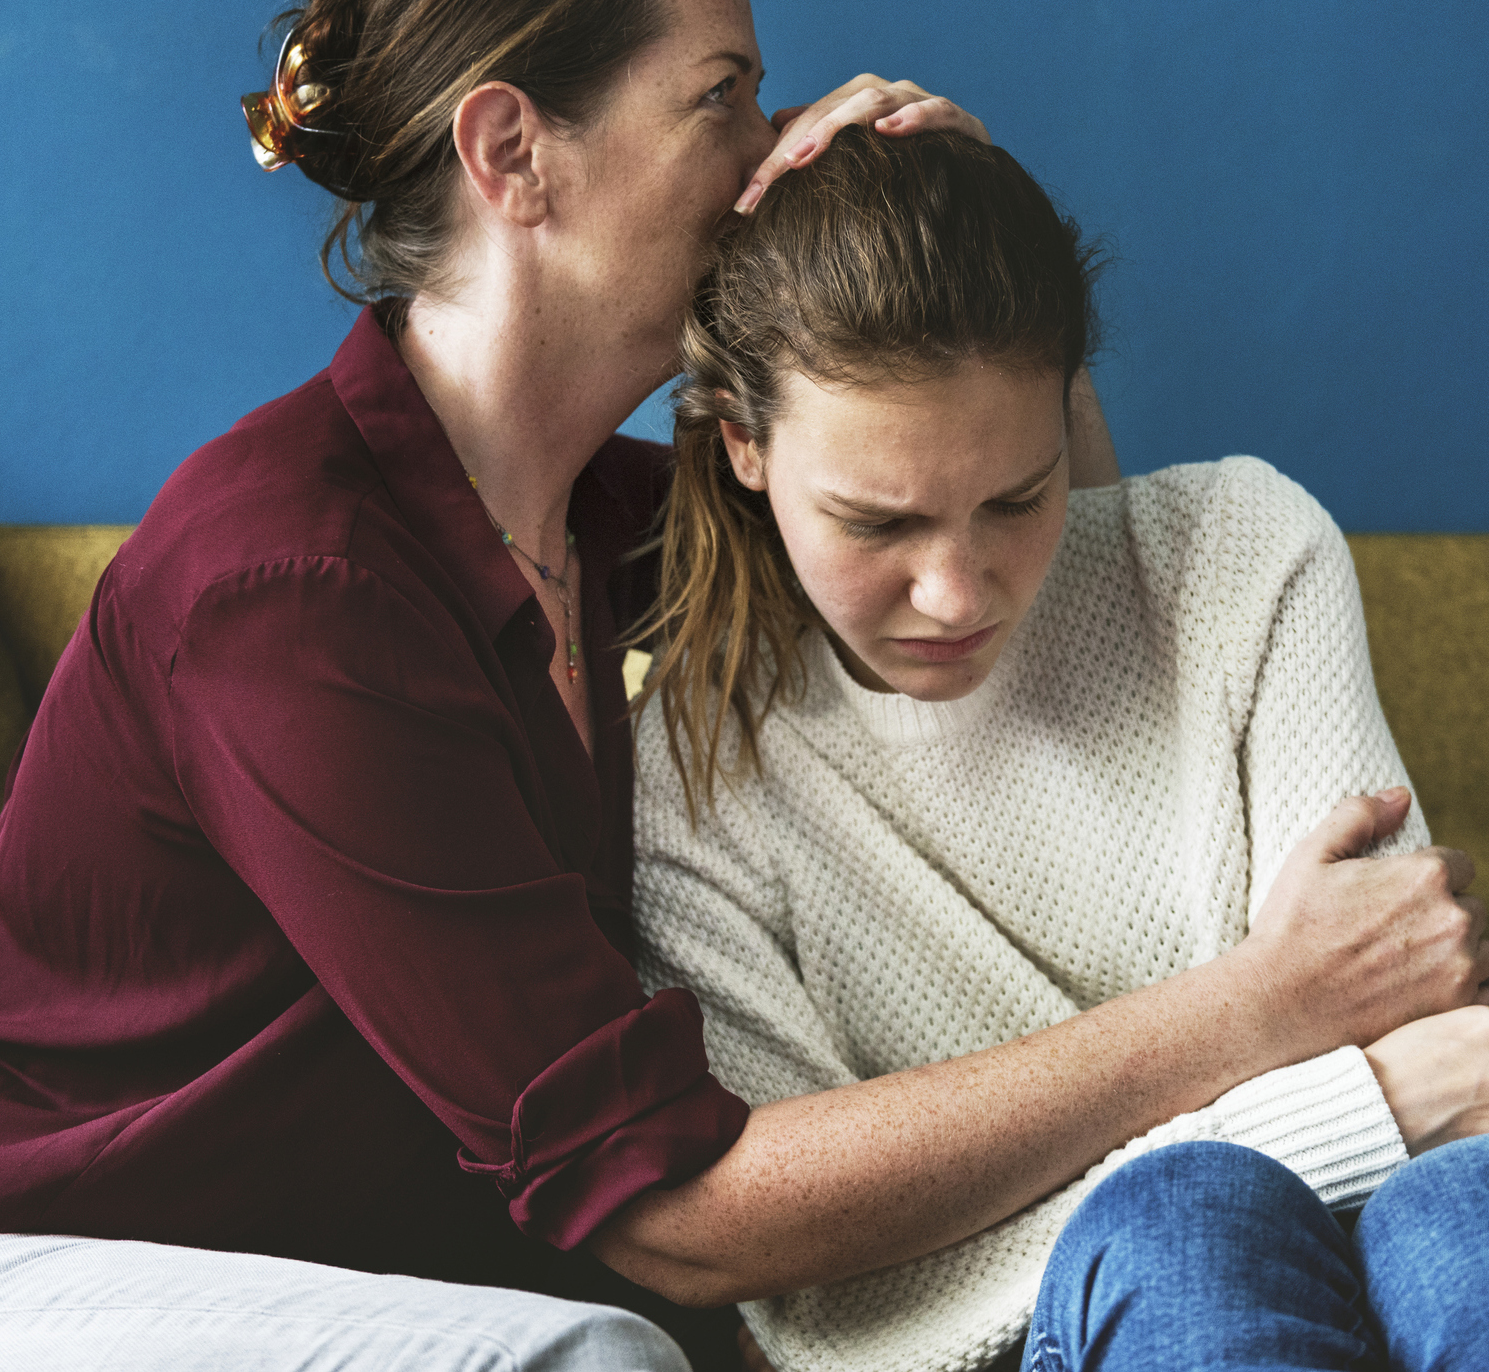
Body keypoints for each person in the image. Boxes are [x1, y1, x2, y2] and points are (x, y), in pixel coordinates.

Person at [0, 0, 1130, 1372]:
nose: (774, 153)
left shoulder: (622, 521)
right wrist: (1254, 1020)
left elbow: (1063, 615)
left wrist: (985, 269)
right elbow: (669, 1207)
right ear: (515, 150)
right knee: (595, 1360)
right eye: (721, 97)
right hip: (31, 1243)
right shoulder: (288, 593)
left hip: (336, 1263)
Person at [630, 125, 1489, 1370]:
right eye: (879, 521)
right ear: (743, 446)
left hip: (1387, 1244)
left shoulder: (1239, 557)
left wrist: (1379, 1097)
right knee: (1183, 1227)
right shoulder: (684, 777)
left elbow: (1427, 1051)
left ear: (1068, 404)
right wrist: (1352, 1104)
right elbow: (826, 1310)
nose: (956, 591)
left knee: (1457, 1213)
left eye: (1017, 500)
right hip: (1026, 1342)